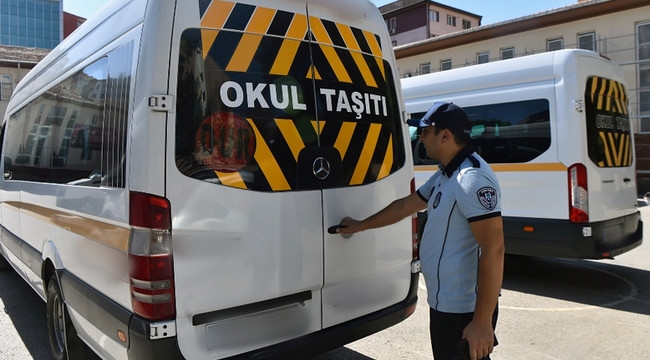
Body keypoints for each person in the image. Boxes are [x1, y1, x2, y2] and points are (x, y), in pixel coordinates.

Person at [336, 102, 504, 360]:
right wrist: (360, 225)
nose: (420, 138)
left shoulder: (471, 178)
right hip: (445, 306)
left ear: (445, 136)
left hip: (463, 312)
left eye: (425, 132)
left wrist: (482, 323)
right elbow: (406, 206)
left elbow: (494, 249)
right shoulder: (446, 175)